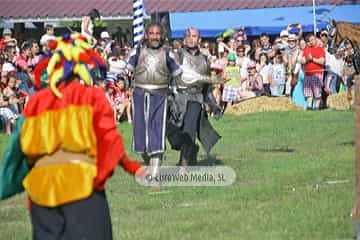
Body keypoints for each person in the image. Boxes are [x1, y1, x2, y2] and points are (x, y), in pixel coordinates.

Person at [0, 33, 142, 240]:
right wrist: (132, 167)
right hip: (81, 186)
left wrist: (7, 185)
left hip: (41, 190)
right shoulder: (92, 96)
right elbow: (110, 140)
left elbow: (17, 148)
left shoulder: (37, 101)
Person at [126, 22, 182, 176]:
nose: (155, 37)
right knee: (141, 132)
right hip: (139, 95)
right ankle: (148, 163)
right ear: (146, 35)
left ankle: (155, 171)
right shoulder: (137, 51)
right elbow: (126, 69)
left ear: (162, 35)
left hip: (160, 96)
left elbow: (179, 74)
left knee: (157, 129)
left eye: (157, 34)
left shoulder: (168, 53)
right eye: (152, 33)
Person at [167, 27, 221, 166]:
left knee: (189, 130)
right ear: (184, 39)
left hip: (195, 99)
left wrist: (214, 106)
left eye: (194, 36)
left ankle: (183, 163)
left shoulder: (204, 60)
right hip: (177, 99)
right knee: (173, 134)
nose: (191, 38)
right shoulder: (177, 55)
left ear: (199, 39)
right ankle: (192, 149)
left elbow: (207, 87)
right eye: (188, 36)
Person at [300, 33, 325, 110]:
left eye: (313, 39)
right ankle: (309, 107)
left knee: (317, 93)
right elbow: (302, 61)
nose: (311, 42)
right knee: (308, 93)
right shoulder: (306, 50)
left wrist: (312, 59)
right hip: (307, 75)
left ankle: (317, 107)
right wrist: (307, 59)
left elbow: (322, 61)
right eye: (309, 40)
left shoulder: (320, 49)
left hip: (317, 74)